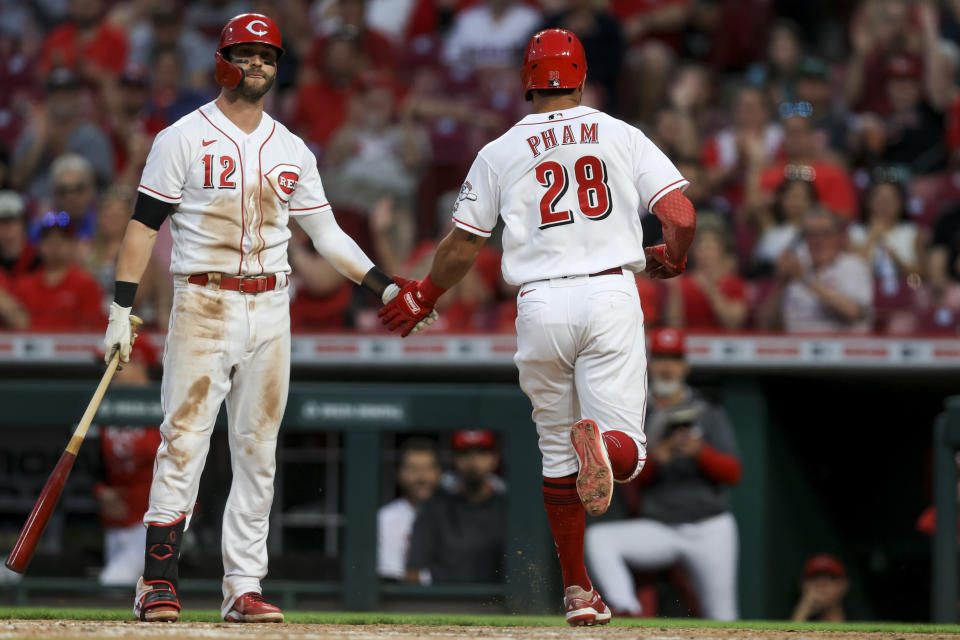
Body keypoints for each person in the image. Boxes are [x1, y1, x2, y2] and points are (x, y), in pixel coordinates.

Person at [101, 13, 426, 624]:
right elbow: (143, 225)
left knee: (257, 450)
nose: (257, 65)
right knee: (184, 442)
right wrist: (122, 306)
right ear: (222, 60)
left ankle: (242, 587)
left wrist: (383, 287)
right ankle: (157, 581)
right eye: (245, 53)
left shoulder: (291, 147)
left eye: (268, 56)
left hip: (271, 304)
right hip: (203, 300)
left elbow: (326, 233)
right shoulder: (182, 137)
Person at [380, 29, 697, 626]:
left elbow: (463, 243)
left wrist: (426, 292)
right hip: (608, 292)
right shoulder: (619, 133)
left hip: (539, 305)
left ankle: (579, 592)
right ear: (579, 76)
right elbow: (679, 213)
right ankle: (604, 446)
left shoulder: (501, 150)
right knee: (628, 458)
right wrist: (672, 258)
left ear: (528, 78)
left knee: (556, 456)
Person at [585, 328, 742, 621]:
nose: (667, 367)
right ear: (649, 364)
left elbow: (733, 473)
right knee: (600, 539)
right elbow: (625, 479)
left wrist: (700, 453)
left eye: (674, 359)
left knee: (723, 618)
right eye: (660, 358)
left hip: (710, 527)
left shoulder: (706, 411)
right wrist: (657, 458)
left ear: (685, 366)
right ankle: (627, 610)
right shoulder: (636, 413)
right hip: (660, 528)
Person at [96, 338, 163, 586]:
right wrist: (102, 491)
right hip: (116, 518)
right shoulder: (100, 404)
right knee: (123, 592)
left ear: (141, 365)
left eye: (119, 365)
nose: (108, 372)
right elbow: (90, 462)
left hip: (157, 519)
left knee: (113, 582)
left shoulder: (167, 403)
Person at [406, 429, 507, 585]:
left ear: (495, 458)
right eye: (465, 453)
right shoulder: (434, 508)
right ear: (454, 459)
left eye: (481, 452)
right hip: (447, 603)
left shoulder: (509, 509)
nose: (473, 462)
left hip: (498, 604)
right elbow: (413, 572)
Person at [759, 209, 873, 333]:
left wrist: (805, 278)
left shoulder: (853, 266)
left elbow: (853, 313)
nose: (817, 240)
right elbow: (767, 325)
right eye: (811, 234)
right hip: (795, 348)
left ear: (838, 237)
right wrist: (782, 285)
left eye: (825, 233)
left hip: (842, 349)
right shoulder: (796, 266)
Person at [10, 211, 103, 331]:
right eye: (48, 239)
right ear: (39, 245)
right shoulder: (24, 285)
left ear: (73, 244)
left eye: (62, 238)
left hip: (74, 349)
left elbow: (92, 330)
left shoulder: (87, 285)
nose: (55, 244)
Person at [378, 437, 442, 581]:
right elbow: (392, 576)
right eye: (413, 469)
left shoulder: (454, 513)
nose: (422, 477)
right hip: (408, 601)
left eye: (428, 468)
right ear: (399, 473)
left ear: (439, 472)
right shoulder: (386, 518)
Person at [790, 554, 849, 622]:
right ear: (803, 585)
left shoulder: (860, 617)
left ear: (844, 584)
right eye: (815, 577)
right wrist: (802, 612)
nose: (822, 584)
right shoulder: (780, 614)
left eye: (831, 577)